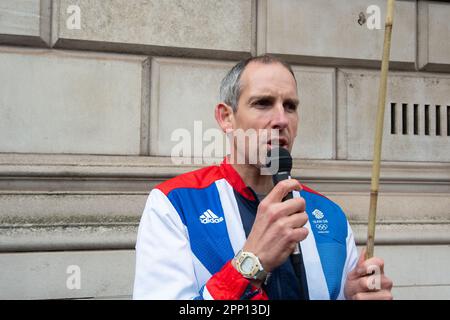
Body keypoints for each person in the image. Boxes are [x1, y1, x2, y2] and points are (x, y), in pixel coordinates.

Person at [133, 55, 393, 300]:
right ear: (226, 117)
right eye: (263, 103)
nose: (281, 119)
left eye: (290, 106)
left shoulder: (329, 214)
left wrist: (350, 295)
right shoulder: (176, 204)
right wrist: (251, 264)